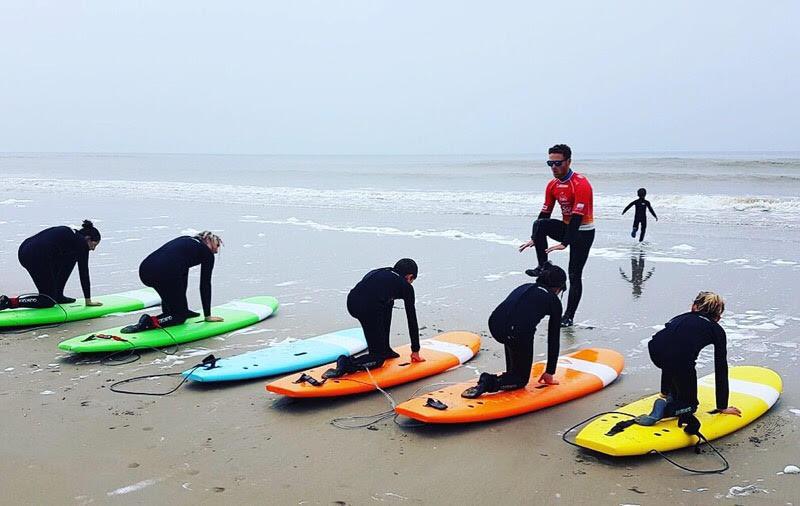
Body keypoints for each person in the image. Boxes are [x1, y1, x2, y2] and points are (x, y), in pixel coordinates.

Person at [636, 291, 741, 435]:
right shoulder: (716, 330)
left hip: (655, 349)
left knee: (673, 358)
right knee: (691, 406)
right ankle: (665, 410)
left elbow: (669, 349)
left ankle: (667, 394)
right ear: (718, 317)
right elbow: (720, 367)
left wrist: (664, 391)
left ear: (694, 307)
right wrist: (722, 406)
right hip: (680, 360)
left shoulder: (680, 318)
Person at [461, 263, 566, 398]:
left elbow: (512, 311)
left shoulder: (525, 286)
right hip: (515, 331)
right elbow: (553, 339)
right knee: (521, 380)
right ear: (558, 288)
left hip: (495, 324)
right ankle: (488, 382)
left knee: (514, 334)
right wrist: (550, 372)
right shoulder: (554, 301)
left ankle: (511, 373)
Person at [519, 144, 594, 327]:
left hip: (583, 232)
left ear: (568, 161)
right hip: (567, 228)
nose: (553, 167)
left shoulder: (580, 184)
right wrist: (535, 237)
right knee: (539, 224)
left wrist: (565, 243)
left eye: (558, 163)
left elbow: (577, 217)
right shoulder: (553, 185)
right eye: (550, 163)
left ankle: (568, 316)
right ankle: (543, 265)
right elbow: (545, 213)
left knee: (574, 274)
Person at [322, 258, 424, 379]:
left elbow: (367, 287)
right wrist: (415, 350)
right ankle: (346, 363)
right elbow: (411, 319)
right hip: (368, 309)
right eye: (412, 280)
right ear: (410, 276)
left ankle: (385, 349)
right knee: (378, 359)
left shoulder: (382, 271)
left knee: (388, 302)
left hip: (352, 302)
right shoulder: (406, 286)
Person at [121, 231, 224, 333]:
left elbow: (182, 275)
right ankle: (148, 322)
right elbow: (205, 284)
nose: (217, 250)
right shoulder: (206, 253)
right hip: (164, 273)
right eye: (217, 245)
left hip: (145, 270)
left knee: (172, 294)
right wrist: (207, 315)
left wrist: (184, 308)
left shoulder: (186, 240)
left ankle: (172, 313)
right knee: (180, 317)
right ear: (208, 240)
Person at [0, 220, 103, 311]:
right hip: (36, 256)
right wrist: (88, 300)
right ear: (87, 238)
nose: (93, 249)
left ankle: (58, 295)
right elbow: (84, 272)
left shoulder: (71, 234)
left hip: (25, 250)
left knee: (71, 258)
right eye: (94, 245)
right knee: (47, 300)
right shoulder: (81, 243)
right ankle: (8, 302)